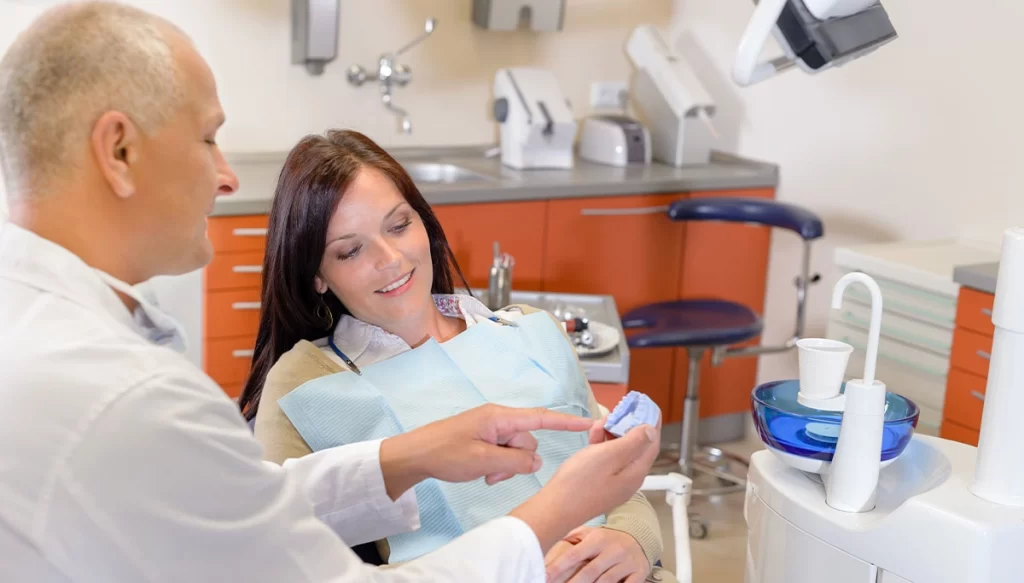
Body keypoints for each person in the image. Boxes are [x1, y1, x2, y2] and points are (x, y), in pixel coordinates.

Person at [0, 3, 661, 582]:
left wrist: (411, 452)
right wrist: (554, 512)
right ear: (118, 151)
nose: (227, 176)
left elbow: (253, 500)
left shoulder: (40, 328)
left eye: (399, 224)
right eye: (207, 137)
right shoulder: (133, 398)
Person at [238, 129, 672, 583]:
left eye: (399, 225)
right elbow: (281, 556)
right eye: (350, 250)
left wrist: (634, 541)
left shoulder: (527, 329)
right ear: (316, 276)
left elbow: (611, 477)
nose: (390, 259)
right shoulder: (306, 380)